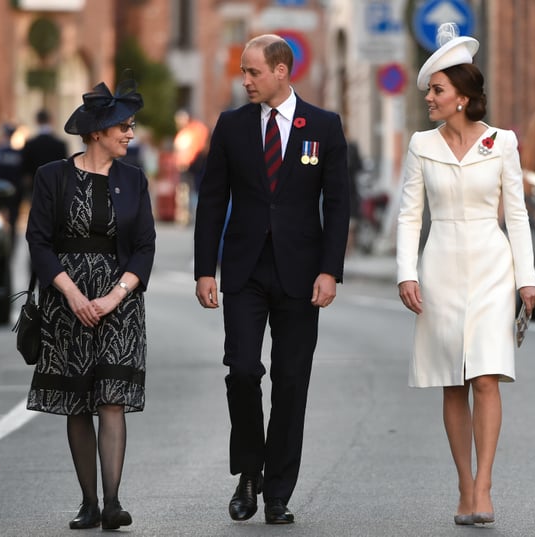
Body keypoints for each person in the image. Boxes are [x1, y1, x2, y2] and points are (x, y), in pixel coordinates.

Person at [194, 34, 350, 525]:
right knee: (242, 370)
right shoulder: (231, 126)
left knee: (291, 382)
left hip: (302, 275)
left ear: (282, 71)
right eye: (243, 72)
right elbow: (212, 200)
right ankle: (249, 472)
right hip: (244, 270)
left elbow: (339, 204)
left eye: (254, 72)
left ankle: (278, 492)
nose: (245, 81)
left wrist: (330, 270)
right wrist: (204, 269)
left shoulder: (323, 126)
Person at [395, 24, 535, 527]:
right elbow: (410, 215)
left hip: (492, 266)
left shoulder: (503, 143)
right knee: (450, 381)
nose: (429, 98)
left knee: (484, 376)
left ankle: (484, 487)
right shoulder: (420, 145)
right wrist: (405, 273)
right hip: (439, 269)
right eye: (430, 90)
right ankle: (462, 485)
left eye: (437, 89)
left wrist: (528, 278)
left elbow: (516, 214)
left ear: (462, 96)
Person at [25, 78, 155, 530]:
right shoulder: (52, 177)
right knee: (78, 403)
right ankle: (89, 502)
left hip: (119, 303)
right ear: (97, 131)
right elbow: (38, 242)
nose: (130, 134)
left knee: (112, 401)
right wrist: (74, 294)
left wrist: (115, 294)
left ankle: (113, 501)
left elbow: (145, 247)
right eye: (123, 126)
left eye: (131, 126)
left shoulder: (134, 180)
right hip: (67, 304)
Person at [22, 108, 68, 199]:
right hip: (55, 185)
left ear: (36, 121)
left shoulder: (30, 144)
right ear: (51, 120)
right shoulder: (60, 144)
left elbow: (25, 169)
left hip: (36, 186)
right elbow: (64, 167)